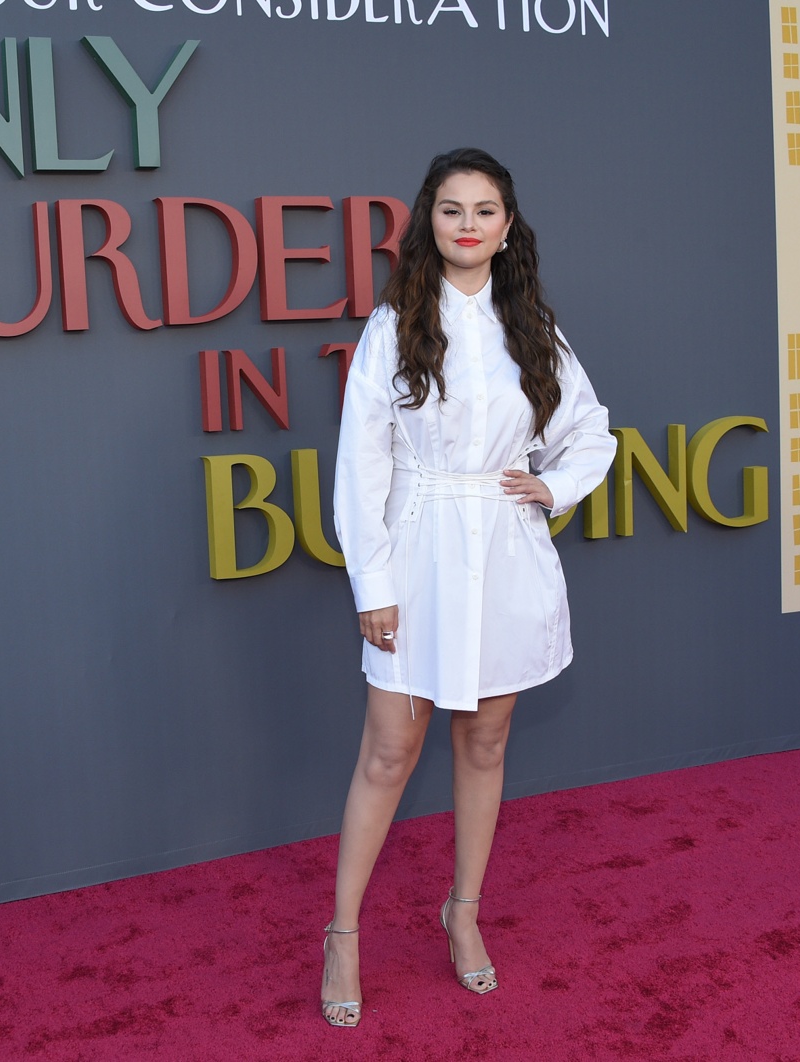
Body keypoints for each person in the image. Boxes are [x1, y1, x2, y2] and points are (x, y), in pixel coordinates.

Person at [320, 148, 616, 1027]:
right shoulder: (394, 327)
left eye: (485, 211)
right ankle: (343, 935)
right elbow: (359, 469)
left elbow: (591, 430)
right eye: (452, 210)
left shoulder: (533, 328)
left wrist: (551, 487)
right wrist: (371, 585)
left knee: (485, 744)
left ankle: (463, 912)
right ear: (430, 221)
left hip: (506, 552)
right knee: (388, 753)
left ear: (508, 226)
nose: (469, 225)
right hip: (415, 558)